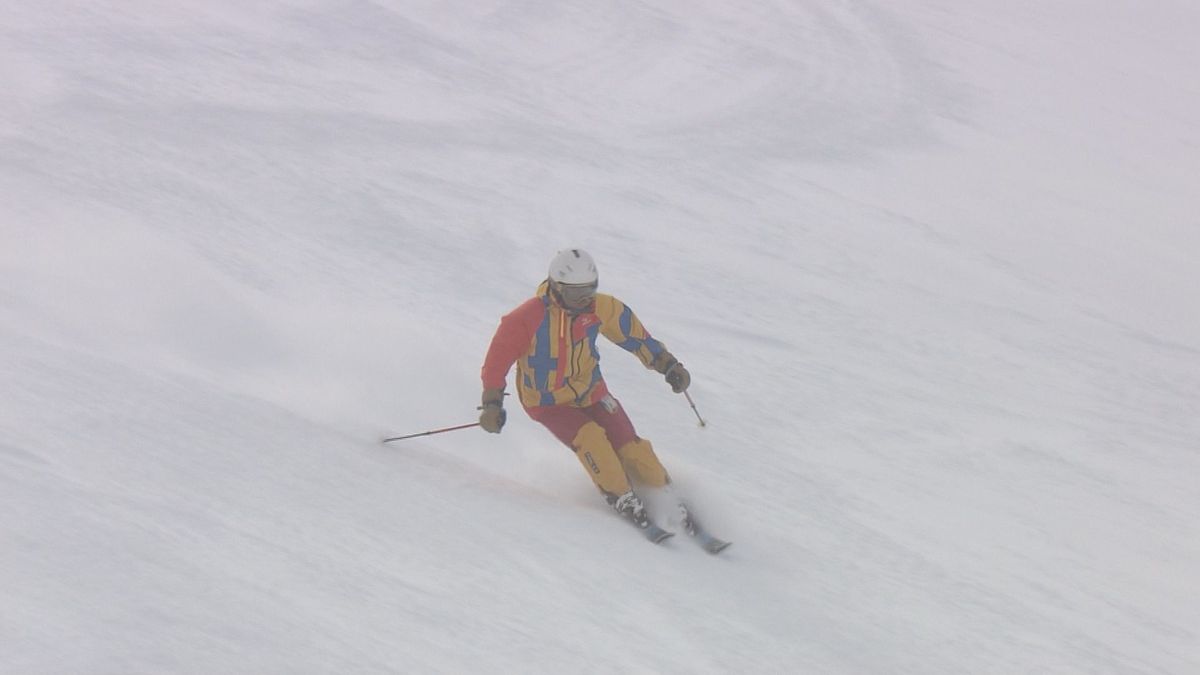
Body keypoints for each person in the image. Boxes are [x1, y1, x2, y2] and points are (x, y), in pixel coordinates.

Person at [478, 248, 692, 530]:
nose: (583, 301)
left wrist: (668, 365)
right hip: (548, 402)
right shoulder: (526, 318)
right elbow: (497, 362)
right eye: (574, 294)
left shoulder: (600, 308)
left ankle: (666, 495)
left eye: (589, 291)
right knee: (592, 438)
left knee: (630, 445)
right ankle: (622, 496)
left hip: (591, 391)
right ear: (556, 288)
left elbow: (635, 336)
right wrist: (492, 404)